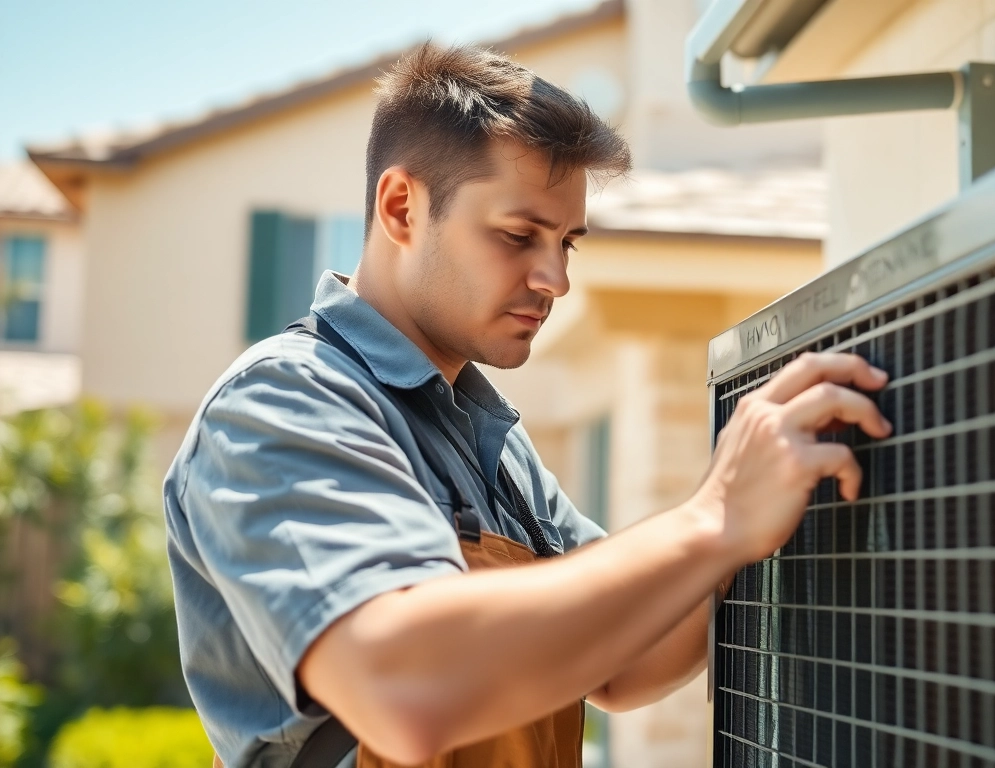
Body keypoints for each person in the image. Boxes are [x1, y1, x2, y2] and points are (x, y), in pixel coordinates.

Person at [164, 43, 891, 768]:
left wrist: (764, 508)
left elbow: (625, 659)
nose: (555, 280)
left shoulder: (494, 440)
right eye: (518, 236)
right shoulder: (284, 402)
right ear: (401, 207)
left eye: (566, 244)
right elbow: (404, 688)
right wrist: (714, 516)